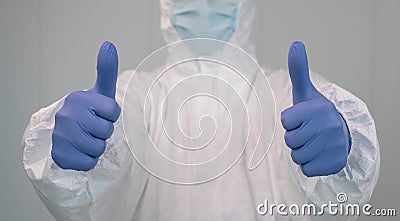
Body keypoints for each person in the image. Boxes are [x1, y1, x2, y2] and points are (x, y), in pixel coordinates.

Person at [22, 0, 380, 220]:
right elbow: (92, 185)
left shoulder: (283, 93)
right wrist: (72, 159)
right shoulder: (136, 94)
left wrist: (346, 151)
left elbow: (335, 199)